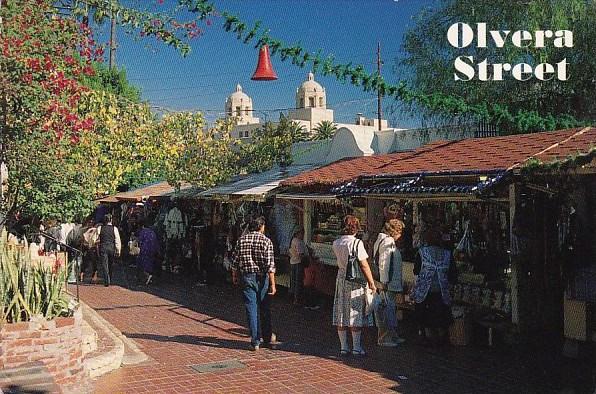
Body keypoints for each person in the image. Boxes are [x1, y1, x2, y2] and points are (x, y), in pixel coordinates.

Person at [332, 215, 377, 357]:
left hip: (341, 278)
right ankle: (356, 347)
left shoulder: (336, 242)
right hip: (355, 280)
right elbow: (364, 264)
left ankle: (343, 346)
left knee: (341, 311)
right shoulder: (357, 243)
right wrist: (371, 282)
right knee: (354, 312)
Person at [232, 216, 278, 351]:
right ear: (261, 227)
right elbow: (270, 265)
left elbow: (235, 261)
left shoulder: (242, 240)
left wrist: (234, 275)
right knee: (265, 308)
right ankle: (267, 336)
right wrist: (273, 284)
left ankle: (255, 340)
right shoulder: (266, 241)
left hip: (247, 276)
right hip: (262, 277)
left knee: (251, 308)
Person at [411, 227, 457, 345]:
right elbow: (453, 274)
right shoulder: (447, 254)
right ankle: (442, 337)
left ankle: (424, 336)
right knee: (441, 316)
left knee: (423, 315)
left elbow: (416, 271)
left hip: (424, 291)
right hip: (442, 291)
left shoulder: (422, 253)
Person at [372, 219, 406, 347]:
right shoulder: (388, 242)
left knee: (389, 308)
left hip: (387, 281)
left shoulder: (381, 240)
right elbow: (384, 262)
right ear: (395, 231)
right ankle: (385, 337)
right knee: (387, 309)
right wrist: (384, 281)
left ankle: (392, 334)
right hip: (388, 282)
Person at [96, 214, 121, 287]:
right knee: (110, 264)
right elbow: (117, 240)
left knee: (104, 264)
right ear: (111, 220)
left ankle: (107, 280)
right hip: (111, 247)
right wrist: (118, 250)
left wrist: (92, 244)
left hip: (103, 247)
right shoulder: (114, 228)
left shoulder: (100, 228)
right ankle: (109, 277)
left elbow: (95, 238)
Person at [136, 218, 159, 286]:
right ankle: (149, 277)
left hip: (145, 250)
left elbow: (140, 241)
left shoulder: (143, 232)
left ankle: (148, 276)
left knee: (143, 264)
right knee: (150, 263)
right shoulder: (152, 232)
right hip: (153, 250)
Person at [289, 229, 308, 305]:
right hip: (298, 263)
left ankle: (292, 297)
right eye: (302, 233)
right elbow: (301, 254)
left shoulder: (293, 240)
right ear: (297, 234)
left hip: (293, 262)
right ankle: (297, 300)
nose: (303, 235)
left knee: (293, 281)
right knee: (298, 282)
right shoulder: (299, 242)